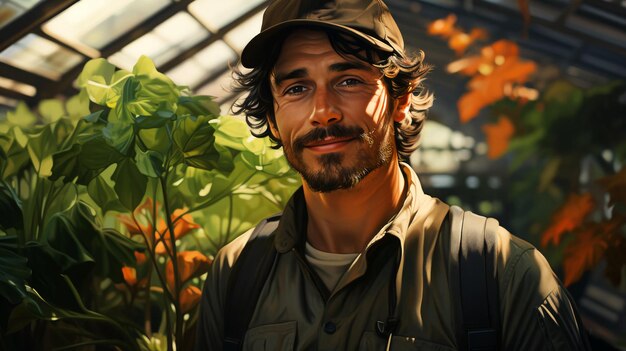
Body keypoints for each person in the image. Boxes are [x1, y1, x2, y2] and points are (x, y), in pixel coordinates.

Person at [194, 0, 591, 350]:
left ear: (401, 99)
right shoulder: (236, 274)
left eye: (348, 80)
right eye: (297, 88)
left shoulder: (499, 272)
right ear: (273, 120)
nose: (323, 111)